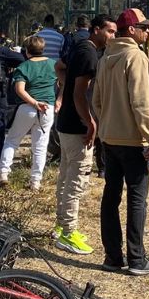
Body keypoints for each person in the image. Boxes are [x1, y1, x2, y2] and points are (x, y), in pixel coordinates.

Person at [92, 8, 149, 275]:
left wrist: (108, 122)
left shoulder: (106, 57)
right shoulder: (136, 57)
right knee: (136, 198)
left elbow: (96, 101)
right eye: (144, 27)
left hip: (109, 139)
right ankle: (137, 259)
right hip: (133, 140)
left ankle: (112, 257)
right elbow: (142, 103)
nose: (147, 31)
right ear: (132, 30)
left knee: (111, 197)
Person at [52, 14, 116, 256]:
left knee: (65, 177)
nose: (112, 36)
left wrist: (64, 91)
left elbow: (58, 67)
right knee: (77, 180)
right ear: (96, 30)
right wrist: (89, 122)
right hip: (78, 126)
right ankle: (68, 233)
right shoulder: (89, 54)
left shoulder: (78, 47)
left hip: (66, 121)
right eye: (109, 31)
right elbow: (80, 93)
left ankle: (61, 226)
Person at [0, 35, 57, 190]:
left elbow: (19, 90)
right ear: (43, 49)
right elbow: (63, 83)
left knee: (12, 141)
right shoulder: (53, 65)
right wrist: (59, 100)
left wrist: (34, 103)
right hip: (47, 108)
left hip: (28, 108)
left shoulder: (23, 67)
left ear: (26, 50)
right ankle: (35, 181)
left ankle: (4, 173)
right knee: (40, 147)